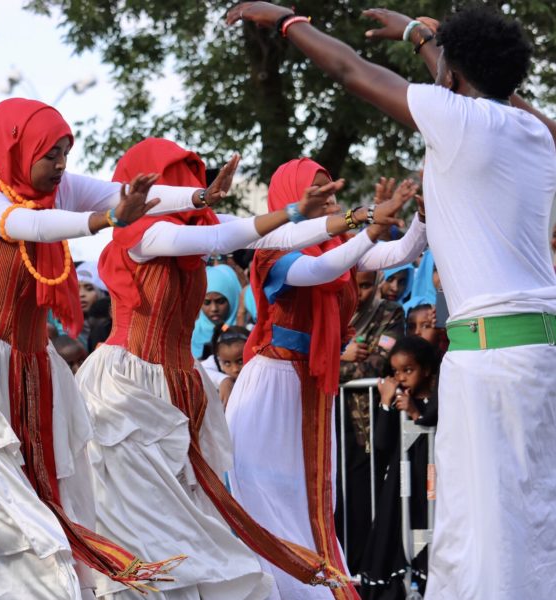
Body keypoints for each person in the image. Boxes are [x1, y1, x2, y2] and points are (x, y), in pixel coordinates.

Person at [227, 4, 556, 599]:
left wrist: (285, 20)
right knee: (532, 528)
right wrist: (426, 39)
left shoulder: (458, 121)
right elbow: (481, 91)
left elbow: (351, 69)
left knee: (483, 534)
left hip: (493, 362)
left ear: (453, 78)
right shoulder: (535, 131)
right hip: (537, 351)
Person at [76, 138, 397, 599]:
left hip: (177, 385)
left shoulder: (196, 224)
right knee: (142, 520)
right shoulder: (145, 235)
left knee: (186, 519)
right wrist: (309, 215)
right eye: (181, 180)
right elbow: (224, 238)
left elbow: (268, 236)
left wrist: (351, 218)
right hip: (127, 389)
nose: (192, 188)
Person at [0, 98, 234, 599]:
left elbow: (120, 192)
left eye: (66, 151)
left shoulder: (59, 190)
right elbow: (31, 226)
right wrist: (105, 220)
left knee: (49, 503)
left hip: (33, 368)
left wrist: (198, 196)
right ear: (16, 149)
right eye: (51, 154)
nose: (62, 165)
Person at [226, 158, 427, 600]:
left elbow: (398, 254)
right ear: (290, 199)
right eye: (318, 193)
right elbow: (321, 271)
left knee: (310, 497)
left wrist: (421, 216)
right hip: (273, 384)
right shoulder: (272, 249)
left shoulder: (336, 244)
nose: (330, 201)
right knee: (263, 492)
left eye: (333, 193)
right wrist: (369, 229)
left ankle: (310, 585)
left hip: (312, 385)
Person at [336, 268, 405, 575]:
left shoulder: (389, 312)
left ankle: (365, 575)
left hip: (369, 424)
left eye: (365, 285)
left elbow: (383, 364)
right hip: (332, 422)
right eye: (354, 285)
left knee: (365, 499)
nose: (359, 293)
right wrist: (339, 358)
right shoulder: (330, 312)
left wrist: (332, 362)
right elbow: (307, 362)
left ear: (377, 281)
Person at [360, 336, 439, 599]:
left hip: (429, 485)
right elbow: (382, 443)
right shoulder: (398, 403)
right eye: (396, 372)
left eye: (408, 370)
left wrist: (416, 414)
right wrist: (385, 404)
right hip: (400, 484)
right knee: (395, 531)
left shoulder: (437, 402)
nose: (401, 378)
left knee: (427, 532)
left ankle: (427, 582)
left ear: (426, 370)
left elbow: (435, 431)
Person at [191, 264, 242, 359]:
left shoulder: (245, 331)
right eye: (206, 302)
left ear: (233, 298)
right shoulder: (190, 334)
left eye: (220, 301)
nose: (214, 309)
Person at [201, 324, 251, 406]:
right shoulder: (217, 361)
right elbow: (199, 369)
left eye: (240, 361)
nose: (235, 369)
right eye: (227, 363)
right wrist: (223, 379)